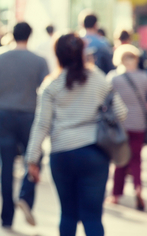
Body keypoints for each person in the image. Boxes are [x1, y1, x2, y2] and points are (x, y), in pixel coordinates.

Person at [26, 33, 128, 236]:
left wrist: (32, 159)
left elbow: (42, 124)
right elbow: (122, 112)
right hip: (95, 154)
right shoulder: (98, 79)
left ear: (57, 55)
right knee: (92, 217)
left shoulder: (51, 85)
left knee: (68, 215)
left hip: (62, 154)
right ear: (82, 53)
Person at [0, 22, 49, 229]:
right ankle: (25, 197)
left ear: (11, 34)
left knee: (6, 166)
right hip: (29, 116)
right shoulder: (39, 61)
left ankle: (6, 217)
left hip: (3, 115)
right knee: (34, 158)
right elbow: (47, 91)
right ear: (29, 36)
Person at [107, 44, 147, 210]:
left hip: (120, 124)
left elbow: (106, 102)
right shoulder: (144, 78)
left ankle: (116, 194)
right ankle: (138, 187)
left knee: (120, 159)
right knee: (136, 158)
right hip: (139, 124)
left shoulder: (113, 78)